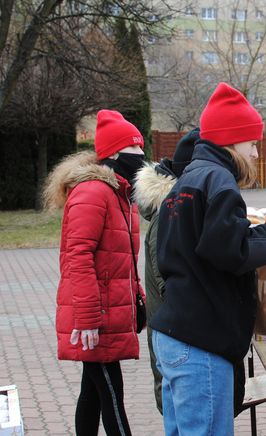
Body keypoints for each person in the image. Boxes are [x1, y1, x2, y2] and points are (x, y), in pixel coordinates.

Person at [150, 82, 266, 435]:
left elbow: (209, 251)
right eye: (253, 143)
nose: (257, 153)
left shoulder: (188, 180)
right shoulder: (219, 179)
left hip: (175, 335)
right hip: (201, 343)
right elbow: (232, 251)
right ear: (231, 141)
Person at [42, 110, 146, 435]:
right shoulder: (93, 192)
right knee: (112, 394)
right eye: (134, 150)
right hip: (94, 316)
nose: (142, 157)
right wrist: (87, 318)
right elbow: (78, 257)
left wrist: (137, 299)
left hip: (106, 312)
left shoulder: (120, 195)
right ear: (114, 154)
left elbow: (121, 260)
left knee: (93, 392)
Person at [132, 127, 200, 415]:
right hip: (178, 345)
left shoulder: (174, 209)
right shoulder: (170, 214)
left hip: (175, 341)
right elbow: (169, 284)